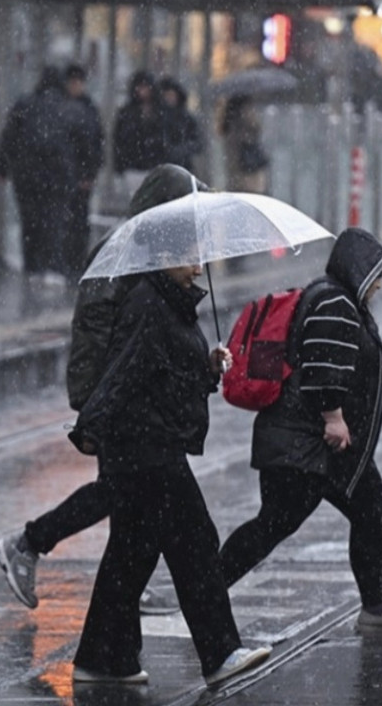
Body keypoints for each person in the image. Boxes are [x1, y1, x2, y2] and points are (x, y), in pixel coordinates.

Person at [0, 165, 208, 615]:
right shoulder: (126, 256)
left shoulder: (144, 252)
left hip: (129, 398)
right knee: (124, 492)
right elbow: (104, 335)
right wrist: (95, 403)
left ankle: (112, 584)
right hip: (121, 401)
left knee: (127, 496)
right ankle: (29, 543)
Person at [62, 224, 270, 686]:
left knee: (131, 554)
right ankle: (220, 652)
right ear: (163, 258)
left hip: (150, 444)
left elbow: (166, 369)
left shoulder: (170, 302)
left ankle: (102, 658)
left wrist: (207, 364)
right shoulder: (149, 305)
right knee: (195, 544)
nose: (200, 265)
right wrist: (90, 425)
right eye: (190, 256)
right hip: (147, 448)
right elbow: (126, 370)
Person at [216, 229, 382, 633]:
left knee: (358, 510)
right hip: (309, 443)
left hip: (315, 444)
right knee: (278, 523)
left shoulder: (335, 298)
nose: (380, 283)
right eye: (377, 273)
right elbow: (323, 367)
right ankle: (206, 590)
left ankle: (376, 608)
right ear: (359, 269)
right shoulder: (335, 303)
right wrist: (333, 416)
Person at [0, 65, 79, 284]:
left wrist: (2, 168)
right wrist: (81, 172)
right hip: (57, 177)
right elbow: (82, 143)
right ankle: (52, 268)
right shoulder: (68, 107)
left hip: (26, 176)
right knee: (53, 221)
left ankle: (32, 267)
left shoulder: (24, 105)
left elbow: (8, 138)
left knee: (30, 222)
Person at [58, 63, 106, 287]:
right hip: (67, 174)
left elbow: (96, 144)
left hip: (79, 175)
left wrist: (89, 173)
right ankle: (69, 262)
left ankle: (76, 262)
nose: (75, 86)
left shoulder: (86, 109)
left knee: (78, 220)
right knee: (68, 220)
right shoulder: (74, 108)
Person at [112, 70, 167, 199]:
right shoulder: (126, 113)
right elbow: (118, 140)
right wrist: (120, 166)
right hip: (133, 167)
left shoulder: (160, 112)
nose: (143, 91)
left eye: (146, 87)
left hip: (154, 167)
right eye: (140, 87)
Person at [159, 76, 204, 172]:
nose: (169, 98)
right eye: (166, 95)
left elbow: (198, 142)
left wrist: (181, 150)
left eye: (171, 95)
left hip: (184, 166)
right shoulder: (157, 117)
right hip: (160, 166)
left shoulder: (186, 118)